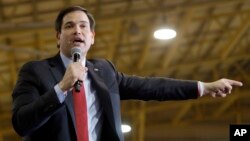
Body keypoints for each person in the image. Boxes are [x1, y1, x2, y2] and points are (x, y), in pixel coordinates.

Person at [11, 5, 243, 141]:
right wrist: (61, 87)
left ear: (92, 37)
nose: (77, 30)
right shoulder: (35, 71)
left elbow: (153, 87)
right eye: (69, 26)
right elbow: (22, 123)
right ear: (58, 37)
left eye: (83, 26)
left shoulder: (105, 71)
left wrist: (204, 86)